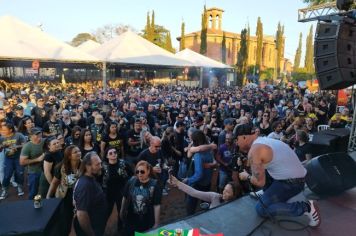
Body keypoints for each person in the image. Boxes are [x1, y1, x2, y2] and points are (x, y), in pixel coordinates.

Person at [235, 123, 321, 228]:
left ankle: (306, 208)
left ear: (244, 137)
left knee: (261, 209)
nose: (236, 143)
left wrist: (246, 176)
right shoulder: (264, 140)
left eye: (237, 139)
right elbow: (263, 164)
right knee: (266, 169)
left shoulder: (255, 150)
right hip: (295, 177)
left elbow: (259, 182)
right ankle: (268, 192)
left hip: (292, 183)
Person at [120, 160, 162, 236]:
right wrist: (122, 211)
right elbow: (125, 197)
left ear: (148, 171)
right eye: (137, 171)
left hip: (147, 220)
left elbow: (157, 205)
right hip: (131, 220)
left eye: (142, 172)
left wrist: (156, 223)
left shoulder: (154, 185)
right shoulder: (131, 181)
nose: (139, 174)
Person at [47, 145, 81, 236]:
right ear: (69, 156)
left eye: (79, 151)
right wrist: (48, 197)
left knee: (81, 222)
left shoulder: (84, 165)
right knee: (65, 224)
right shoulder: (61, 167)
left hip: (79, 197)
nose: (79, 153)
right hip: (65, 198)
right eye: (75, 152)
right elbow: (54, 183)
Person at [73, 151, 107, 236]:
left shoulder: (91, 178)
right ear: (88, 166)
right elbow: (81, 215)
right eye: (97, 164)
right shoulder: (85, 185)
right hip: (91, 228)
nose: (100, 167)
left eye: (100, 163)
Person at [102, 147, 132, 232]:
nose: (113, 154)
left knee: (122, 212)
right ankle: (99, 231)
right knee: (105, 213)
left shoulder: (123, 163)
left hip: (122, 192)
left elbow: (132, 174)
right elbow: (99, 179)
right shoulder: (103, 167)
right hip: (108, 194)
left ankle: (121, 230)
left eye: (115, 152)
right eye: (110, 153)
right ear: (107, 156)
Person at [169, 175, 239, 209]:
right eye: (224, 189)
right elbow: (194, 192)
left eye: (228, 192)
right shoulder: (215, 196)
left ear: (234, 195)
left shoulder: (236, 208)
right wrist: (177, 182)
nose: (224, 192)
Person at [0, 123, 26, 199]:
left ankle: (20, 186)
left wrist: (17, 146)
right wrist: (1, 147)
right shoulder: (1, 138)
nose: (2, 131)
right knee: (7, 175)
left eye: (4, 130)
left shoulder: (18, 135)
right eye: (2, 129)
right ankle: (4, 190)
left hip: (19, 157)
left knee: (20, 173)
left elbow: (25, 145)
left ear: (10, 130)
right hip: (8, 159)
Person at [20, 127, 45, 200]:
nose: (39, 137)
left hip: (45, 170)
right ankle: (30, 206)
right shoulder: (27, 146)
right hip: (34, 172)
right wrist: (37, 159)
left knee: (44, 190)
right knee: (33, 192)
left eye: (40, 134)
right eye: (36, 135)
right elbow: (22, 162)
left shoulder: (44, 141)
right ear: (31, 136)